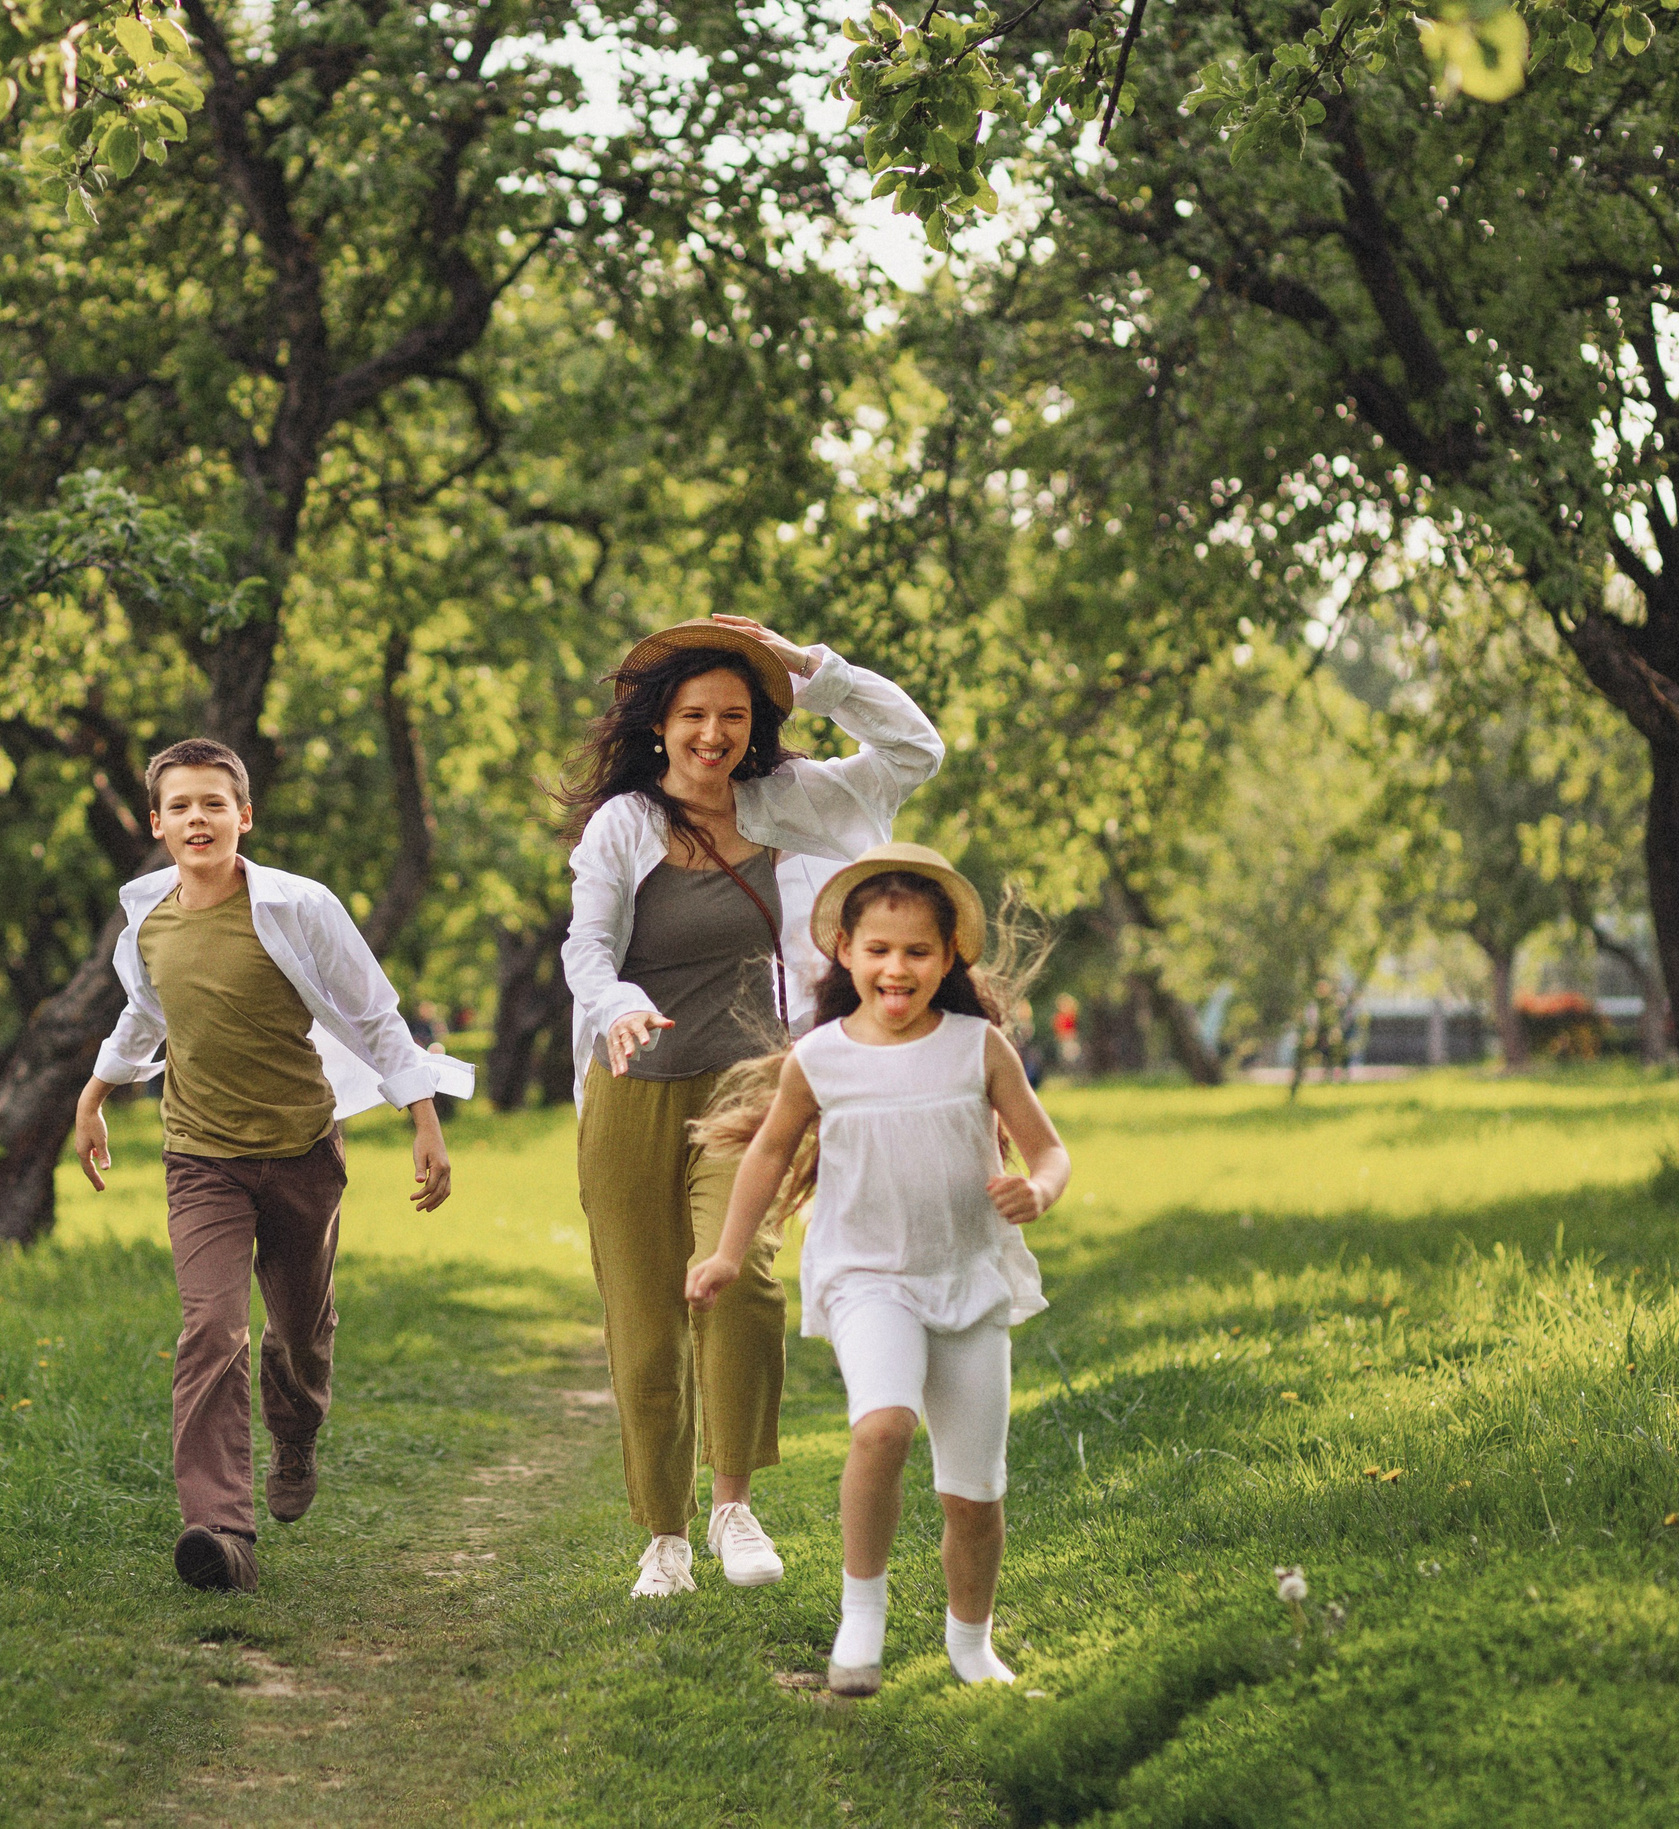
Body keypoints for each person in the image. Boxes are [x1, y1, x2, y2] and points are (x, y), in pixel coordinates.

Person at [559, 616, 945, 1598]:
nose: (713, 733)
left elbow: (915, 749)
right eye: (694, 714)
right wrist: (617, 1003)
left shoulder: (792, 799)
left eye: (733, 714)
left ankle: (733, 1504)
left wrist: (814, 669)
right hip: (632, 1087)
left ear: (756, 725)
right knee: (644, 1317)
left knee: (740, 1281)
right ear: (659, 723)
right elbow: (586, 947)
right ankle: (665, 1534)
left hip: (748, 1085)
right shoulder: (624, 825)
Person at [74, 738, 473, 1594]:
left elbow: (376, 1013)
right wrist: (94, 1094)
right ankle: (221, 1531)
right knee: (211, 1330)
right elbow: (144, 1013)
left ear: (244, 816)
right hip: (200, 1157)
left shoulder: (300, 906)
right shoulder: (148, 921)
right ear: (156, 824)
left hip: (301, 1150)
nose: (198, 818)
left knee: (299, 1330)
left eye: (214, 803)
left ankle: (295, 1432)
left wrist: (423, 1118)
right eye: (180, 805)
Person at [687, 844, 1067, 1696]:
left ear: (949, 957)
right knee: (882, 1427)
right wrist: (726, 1251)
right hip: (866, 1277)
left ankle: (971, 1645)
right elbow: (768, 1154)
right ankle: (862, 1617)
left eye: (918, 951)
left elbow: (1049, 1148)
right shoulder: (821, 1057)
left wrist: (1039, 1189)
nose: (898, 968)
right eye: (880, 949)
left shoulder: (979, 1047)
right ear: (846, 952)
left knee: (974, 1494)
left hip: (967, 1279)